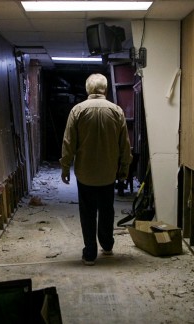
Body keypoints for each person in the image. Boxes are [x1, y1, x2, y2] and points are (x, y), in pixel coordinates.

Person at [59, 73, 133, 266]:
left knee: (88, 212)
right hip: (109, 173)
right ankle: (107, 245)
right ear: (105, 90)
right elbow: (124, 144)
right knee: (107, 210)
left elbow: (69, 142)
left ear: (87, 89)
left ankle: (90, 253)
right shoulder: (116, 111)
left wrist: (65, 167)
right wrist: (124, 167)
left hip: (85, 174)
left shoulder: (77, 111)